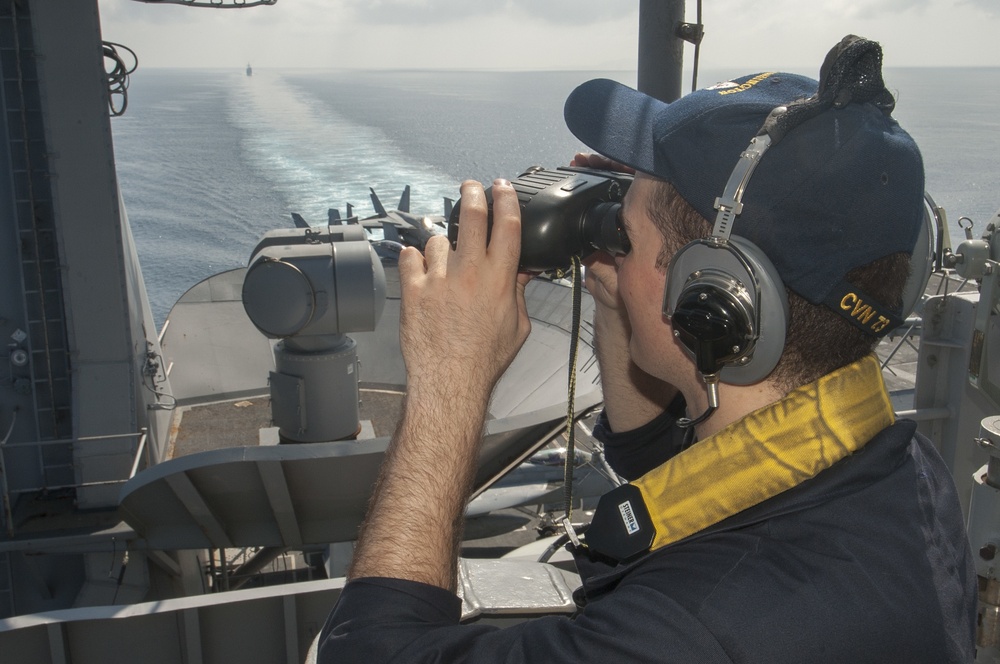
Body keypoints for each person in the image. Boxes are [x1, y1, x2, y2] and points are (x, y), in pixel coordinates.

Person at [317, 36, 976, 663]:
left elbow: (365, 651)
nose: (617, 243)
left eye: (627, 232)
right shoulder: (902, 468)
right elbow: (665, 468)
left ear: (715, 296)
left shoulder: (689, 632)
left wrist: (448, 379)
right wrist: (621, 297)